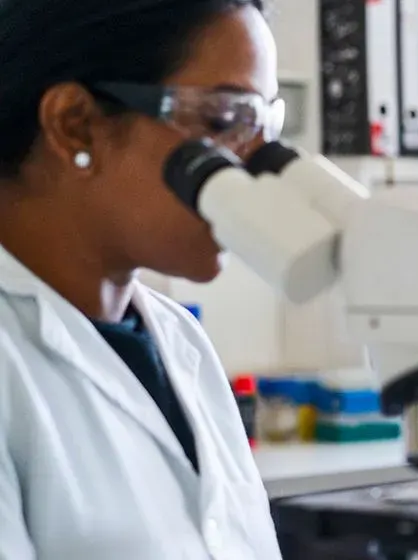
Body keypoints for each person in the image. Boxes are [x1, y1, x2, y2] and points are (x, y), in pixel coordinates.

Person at [0, 0, 284, 557]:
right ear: (75, 125)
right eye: (226, 120)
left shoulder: (180, 342)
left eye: (266, 126)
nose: (256, 167)